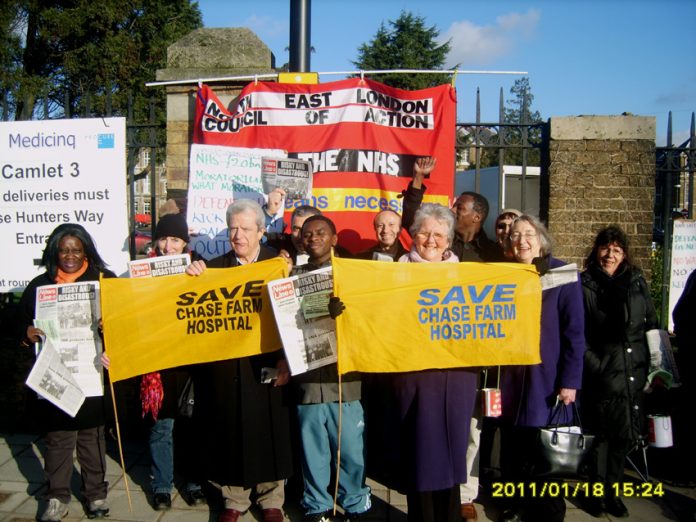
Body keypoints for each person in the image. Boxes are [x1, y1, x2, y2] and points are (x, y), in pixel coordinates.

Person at [185, 199, 293, 522]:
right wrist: (193, 276)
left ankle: (271, 498)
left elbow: (293, 316)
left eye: (246, 228)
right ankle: (234, 499)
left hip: (268, 362)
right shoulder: (214, 268)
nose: (238, 235)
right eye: (232, 227)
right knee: (230, 429)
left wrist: (287, 360)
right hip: (228, 369)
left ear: (262, 231)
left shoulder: (278, 264)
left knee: (270, 428)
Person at [380, 203, 478, 521]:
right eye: (424, 232)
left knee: (452, 450)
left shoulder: (468, 274)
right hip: (413, 376)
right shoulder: (394, 272)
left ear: (449, 240)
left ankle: (450, 514)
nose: (431, 240)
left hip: (455, 376)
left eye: (439, 234)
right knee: (419, 450)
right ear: (413, 236)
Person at [18, 223, 114, 522]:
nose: (70, 256)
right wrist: (27, 332)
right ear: (54, 252)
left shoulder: (104, 281)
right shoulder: (39, 285)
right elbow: (17, 321)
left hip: (92, 373)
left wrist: (110, 326)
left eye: (76, 249)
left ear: (86, 250)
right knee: (58, 440)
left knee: (92, 438)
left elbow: (126, 320)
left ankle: (95, 494)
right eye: (64, 250)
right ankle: (57, 497)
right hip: (56, 375)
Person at [498, 215, 585, 522]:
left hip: (547, 381)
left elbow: (575, 333)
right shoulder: (505, 273)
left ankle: (548, 512)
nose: (522, 240)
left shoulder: (563, 273)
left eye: (528, 234)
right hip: (512, 378)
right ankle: (515, 503)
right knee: (514, 448)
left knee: (545, 452)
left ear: (541, 240)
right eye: (516, 235)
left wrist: (570, 381)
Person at [291, 215, 371, 522]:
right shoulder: (293, 275)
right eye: (308, 233)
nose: (313, 238)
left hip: (346, 376)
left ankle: (354, 502)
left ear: (334, 238)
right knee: (314, 450)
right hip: (310, 376)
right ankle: (317, 504)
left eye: (321, 232)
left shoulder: (354, 273)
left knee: (350, 448)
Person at [580, 225, 658, 518]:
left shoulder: (636, 282)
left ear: (625, 253)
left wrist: (654, 369)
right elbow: (578, 334)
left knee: (623, 438)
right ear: (596, 250)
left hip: (632, 372)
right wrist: (596, 365)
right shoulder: (585, 283)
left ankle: (613, 493)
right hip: (602, 373)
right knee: (600, 439)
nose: (610, 254)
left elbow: (651, 323)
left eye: (617, 249)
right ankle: (597, 495)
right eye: (605, 248)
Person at [138, 213, 206, 510]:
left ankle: (193, 481)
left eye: (175, 239)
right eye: (163, 239)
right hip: (157, 362)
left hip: (189, 361)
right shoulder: (139, 270)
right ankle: (162, 485)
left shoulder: (199, 266)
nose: (168, 246)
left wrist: (201, 274)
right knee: (161, 427)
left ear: (185, 243)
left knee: (191, 424)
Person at [401, 157, 505, 262]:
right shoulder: (441, 240)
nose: (452, 210)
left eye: (460, 208)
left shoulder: (493, 252)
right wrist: (418, 177)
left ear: (476, 217)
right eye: (454, 205)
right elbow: (410, 217)